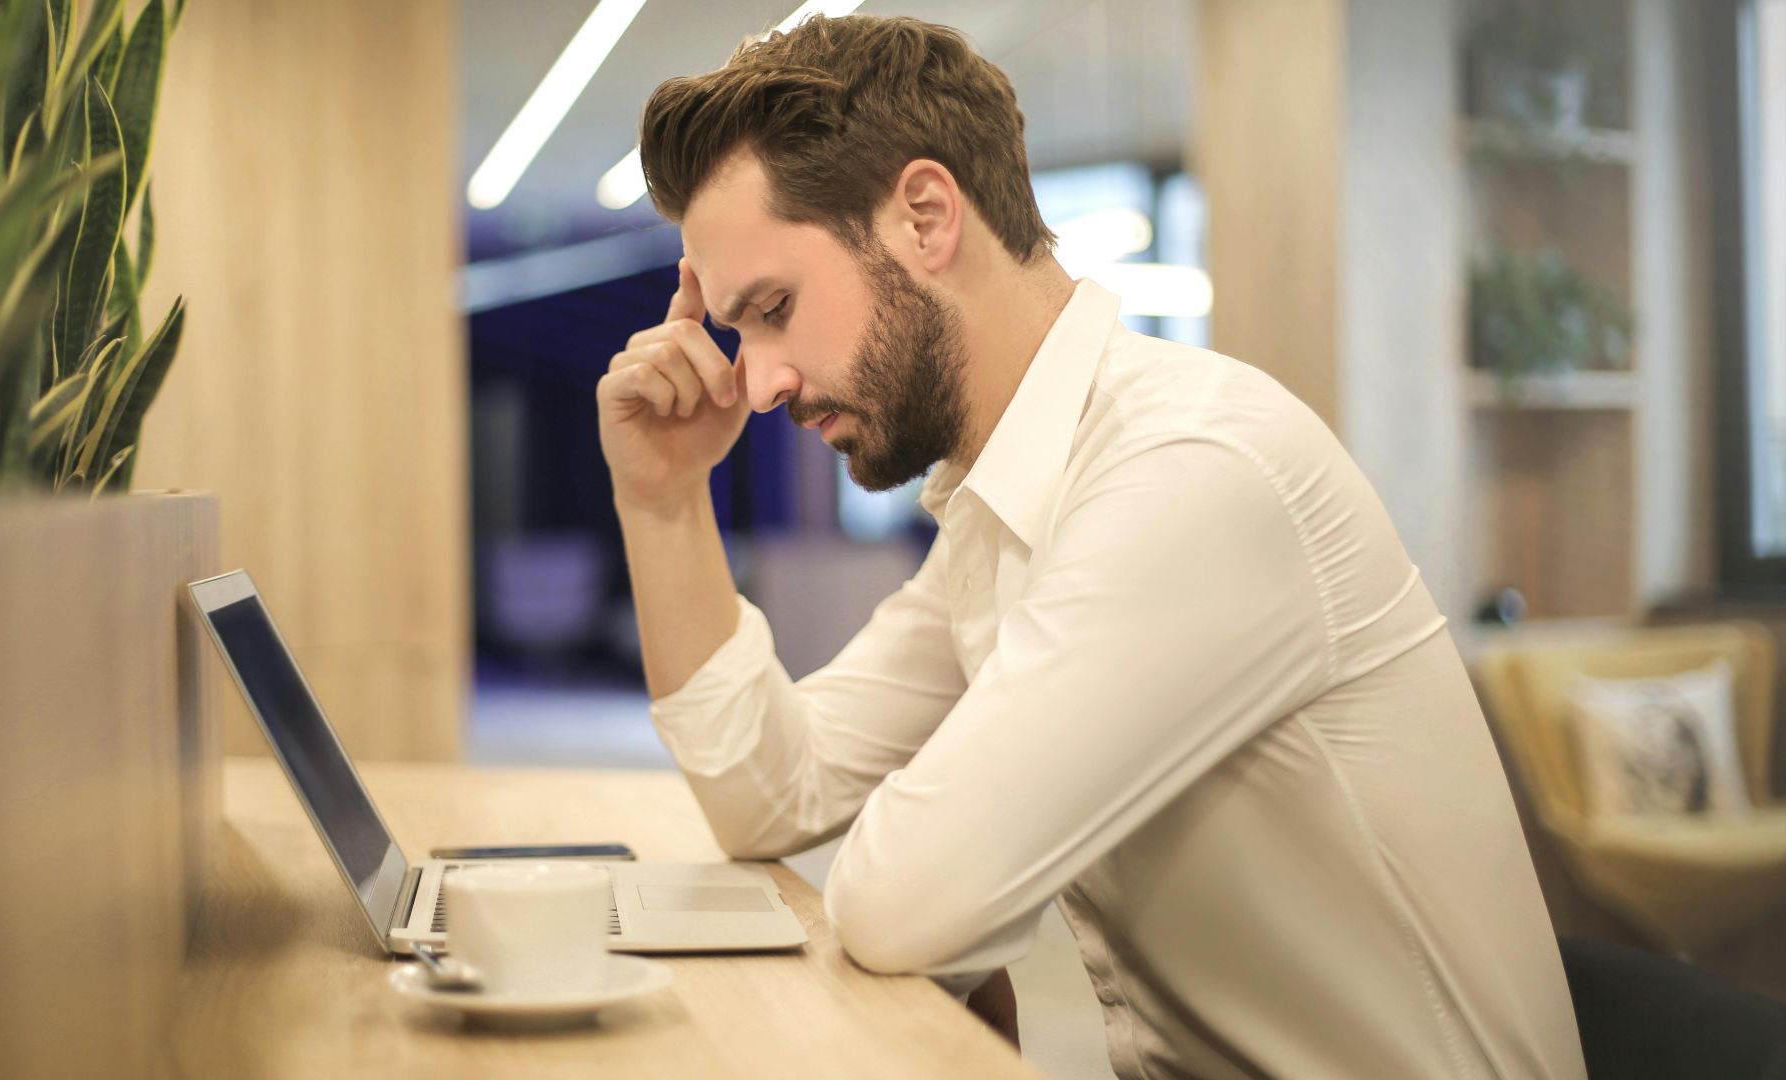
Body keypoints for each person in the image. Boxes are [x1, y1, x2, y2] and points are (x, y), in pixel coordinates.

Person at [596, 14, 1586, 1080]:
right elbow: (770, 795)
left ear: (925, 217)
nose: (757, 381)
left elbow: (901, 903)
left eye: (776, 309)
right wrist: (662, 499)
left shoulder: (1189, 473)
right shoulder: (1007, 504)